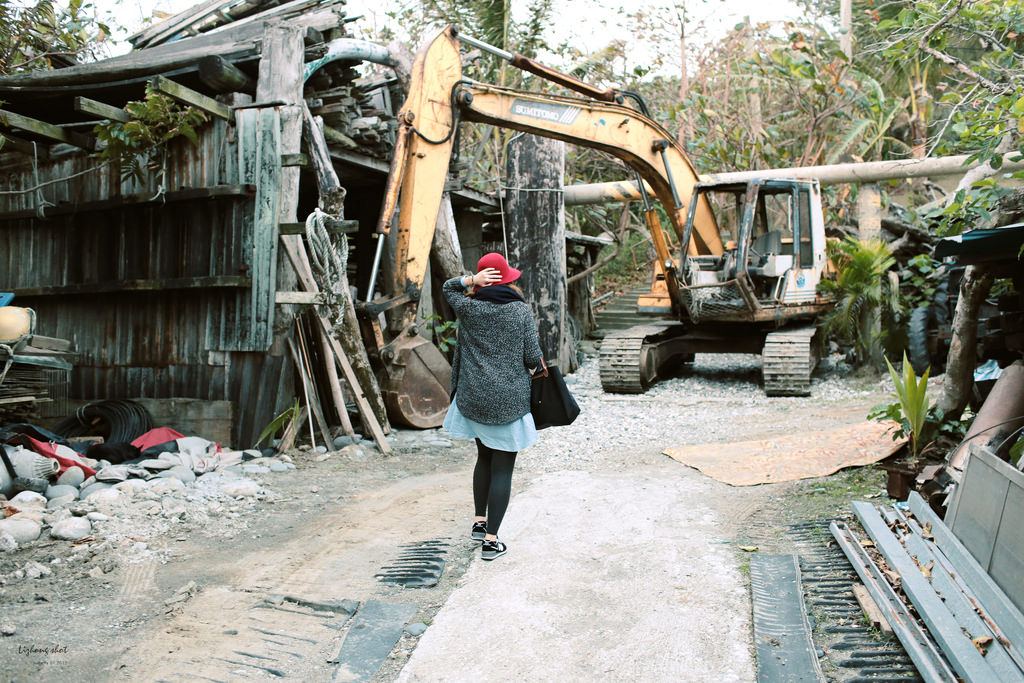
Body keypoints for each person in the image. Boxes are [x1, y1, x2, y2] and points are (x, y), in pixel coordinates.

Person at [442, 252, 543, 561]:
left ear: (484, 279)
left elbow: (449, 287)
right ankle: (491, 541)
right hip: (509, 402)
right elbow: (531, 357)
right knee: (503, 468)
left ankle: (478, 522)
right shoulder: (519, 312)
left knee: (483, 457)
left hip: (473, 398)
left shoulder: (468, 307)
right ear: (509, 279)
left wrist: (469, 281)